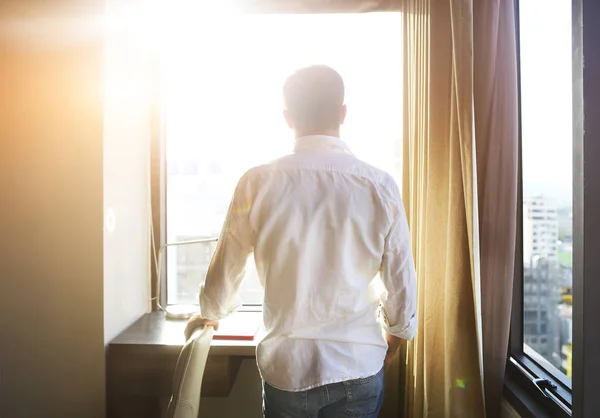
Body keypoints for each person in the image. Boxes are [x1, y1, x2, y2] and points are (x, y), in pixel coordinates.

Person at [185, 65, 417, 418]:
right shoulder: (379, 186)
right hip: (358, 365)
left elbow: (226, 268)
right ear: (342, 113)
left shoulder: (256, 183)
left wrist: (210, 314)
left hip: (287, 370)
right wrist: (393, 339)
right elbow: (401, 285)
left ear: (288, 118)